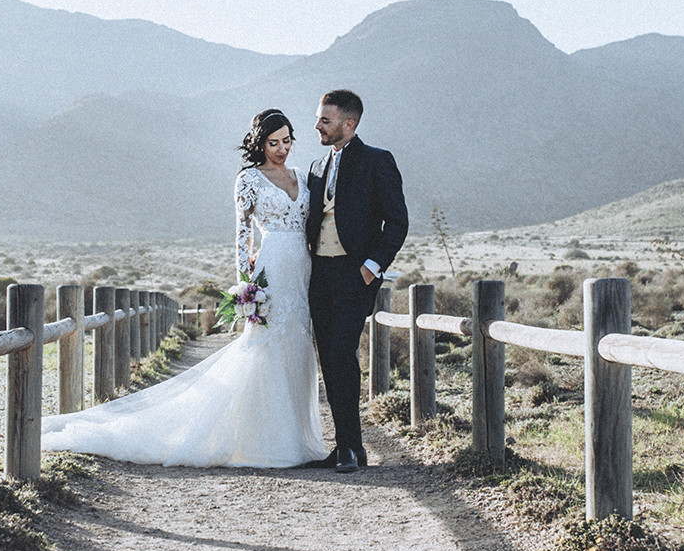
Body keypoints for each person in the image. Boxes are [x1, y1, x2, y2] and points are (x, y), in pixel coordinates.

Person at [39, 109, 326, 468]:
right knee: (266, 349)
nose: (282, 149)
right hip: (269, 270)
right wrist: (247, 291)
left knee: (297, 346)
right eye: (273, 143)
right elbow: (241, 238)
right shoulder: (249, 179)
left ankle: (299, 439)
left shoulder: (303, 176)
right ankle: (269, 443)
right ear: (260, 143)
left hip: (302, 271)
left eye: (287, 141)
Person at [303, 89, 408, 474]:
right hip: (320, 277)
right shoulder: (316, 166)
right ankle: (347, 447)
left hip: (354, 276)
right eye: (318, 118)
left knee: (342, 354)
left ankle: (350, 446)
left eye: (325, 120)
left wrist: (371, 266)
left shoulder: (377, 161)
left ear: (349, 124)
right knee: (328, 359)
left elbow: (397, 221)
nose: (317, 126)